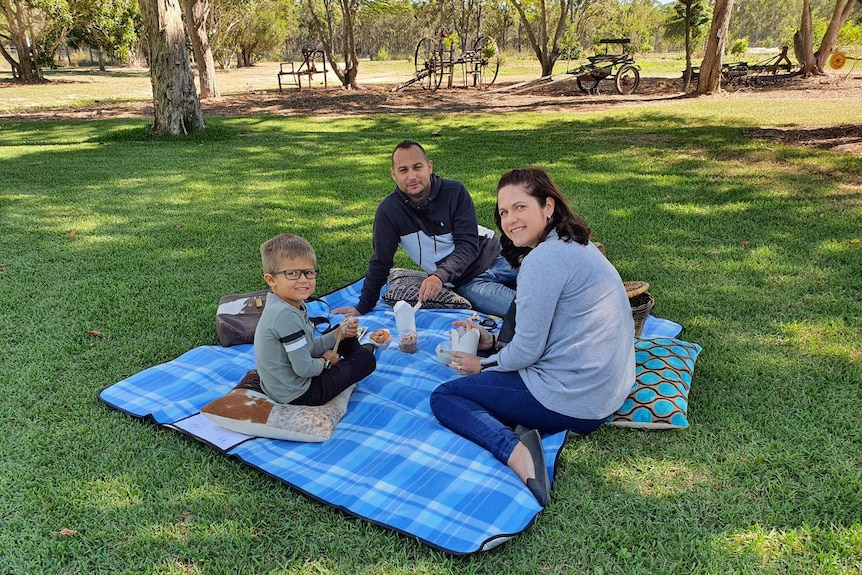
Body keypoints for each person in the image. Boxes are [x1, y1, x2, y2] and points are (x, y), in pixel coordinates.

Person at [429, 168, 635, 507]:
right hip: (608, 390)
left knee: (446, 397)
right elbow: (553, 327)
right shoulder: (575, 245)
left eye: (520, 207)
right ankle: (519, 420)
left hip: (576, 399)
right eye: (504, 212)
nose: (510, 220)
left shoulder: (544, 260)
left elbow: (526, 351)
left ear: (548, 207)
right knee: (493, 385)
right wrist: (493, 343)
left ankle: (518, 454)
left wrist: (483, 364)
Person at [333, 140, 517, 319]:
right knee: (523, 308)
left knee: (542, 277)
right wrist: (362, 307)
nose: (411, 176)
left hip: (499, 255)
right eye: (403, 170)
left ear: (429, 167)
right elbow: (381, 262)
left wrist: (439, 276)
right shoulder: (389, 212)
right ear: (393, 175)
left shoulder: (454, 192)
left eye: (417, 167)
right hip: (469, 282)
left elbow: (468, 245)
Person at [254, 233, 376, 405]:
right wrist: (326, 361)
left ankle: (351, 355)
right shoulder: (285, 315)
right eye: (292, 273)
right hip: (298, 393)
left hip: (284, 384)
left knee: (343, 336)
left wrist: (338, 334)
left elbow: (308, 347)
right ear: (271, 279)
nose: (303, 280)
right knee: (366, 361)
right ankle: (355, 358)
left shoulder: (290, 305)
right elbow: (304, 369)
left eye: (308, 272)